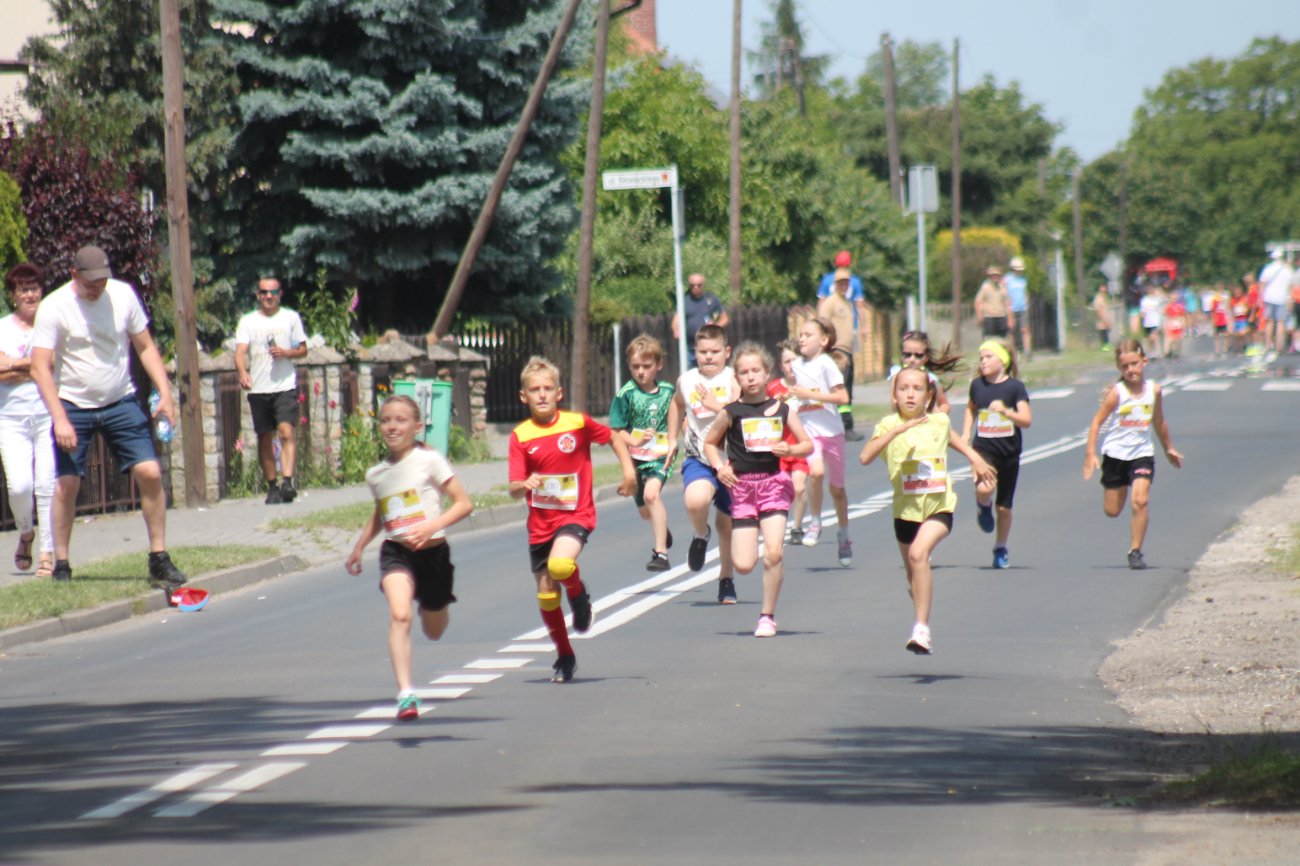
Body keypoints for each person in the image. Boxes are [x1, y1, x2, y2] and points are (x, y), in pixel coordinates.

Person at [29, 245, 187, 588]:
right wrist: (59, 418)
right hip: (72, 404)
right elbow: (40, 367)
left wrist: (166, 393)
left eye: (102, 282)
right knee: (66, 484)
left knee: (150, 473)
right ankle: (62, 565)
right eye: (90, 283)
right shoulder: (54, 306)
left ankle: (159, 559)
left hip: (120, 400)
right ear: (74, 275)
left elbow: (146, 347)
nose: (97, 289)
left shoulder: (123, 295)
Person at [345, 395, 474, 721]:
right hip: (396, 552)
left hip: (434, 555)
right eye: (385, 420)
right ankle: (406, 694)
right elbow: (383, 512)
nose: (392, 426)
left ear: (417, 427)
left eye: (401, 420)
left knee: (434, 631)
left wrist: (432, 526)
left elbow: (463, 503)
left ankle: (433, 603)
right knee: (400, 614)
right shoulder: (376, 474)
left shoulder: (429, 461)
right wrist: (360, 547)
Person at [508, 357, 637, 683]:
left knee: (560, 565)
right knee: (547, 594)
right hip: (540, 524)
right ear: (523, 396)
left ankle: (578, 597)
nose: (541, 395)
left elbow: (613, 438)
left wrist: (629, 473)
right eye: (534, 390)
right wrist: (523, 485)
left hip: (576, 514)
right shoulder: (520, 436)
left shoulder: (577, 423)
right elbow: (512, 488)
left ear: (559, 393)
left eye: (547, 388)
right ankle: (564, 655)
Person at [859, 367, 995, 655]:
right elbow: (865, 457)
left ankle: (921, 630)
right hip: (905, 513)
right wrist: (896, 432)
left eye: (917, 389)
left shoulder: (938, 421)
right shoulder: (887, 425)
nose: (910, 394)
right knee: (914, 577)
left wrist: (974, 457)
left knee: (919, 554)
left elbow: (951, 436)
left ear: (929, 395)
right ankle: (918, 594)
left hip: (938, 507)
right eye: (903, 389)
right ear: (894, 396)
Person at [703, 342, 812, 637]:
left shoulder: (782, 409)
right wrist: (720, 467)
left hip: (773, 485)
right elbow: (710, 443)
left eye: (755, 371)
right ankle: (749, 554)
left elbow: (806, 444)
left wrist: (790, 448)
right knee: (743, 564)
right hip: (742, 489)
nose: (750, 377)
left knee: (774, 554)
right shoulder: (731, 412)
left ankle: (767, 617)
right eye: (743, 372)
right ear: (736, 378)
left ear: (766, 374)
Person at [1083, 340, 1183, 570]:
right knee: (1112, 511)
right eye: (1125, 366)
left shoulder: (1154, 391)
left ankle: (1135, 552)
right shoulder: (1118, 393)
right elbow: (1097, 422)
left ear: (1144, 361)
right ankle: (1122, 487)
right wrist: (1090, 454)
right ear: (1119, 368)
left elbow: (1158, 421)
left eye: (1134, 364)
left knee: (1140, 500)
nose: (1130, 370)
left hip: (1142, 454)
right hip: (1115, 456)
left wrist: (1168, 447)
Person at [670, 324, 740, 603]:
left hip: (732, 462)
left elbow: (743, 415)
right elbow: (676, 404)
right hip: (699, 457)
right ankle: (701, 534)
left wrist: (716, 406)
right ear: (695, 352)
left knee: (727, 526)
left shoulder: (733, 378)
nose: (709, 357)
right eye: (703, 352)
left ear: (727, 352)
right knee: (695, 501)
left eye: (715, 351)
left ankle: (726, 579)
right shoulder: (686, 380)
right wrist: (672, 438)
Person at [0, 264, 56, 577]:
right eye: (23, 289)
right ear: (13, 295)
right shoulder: (3, 327)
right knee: (20, 487)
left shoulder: (52, 325)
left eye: (34, 288)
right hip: (10, 419)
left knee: (46, 485)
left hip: (48, 415)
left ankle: (47, 553)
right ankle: (26, 533)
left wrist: (13, 364)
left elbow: (56, 362)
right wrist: (36, 366)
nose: (30, 294)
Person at [234, 278, 309, 504]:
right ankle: (273, 487)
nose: (269, 296)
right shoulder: (248, 321)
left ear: (280, 294)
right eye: (265, 292)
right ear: (258, 294)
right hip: (259, 388)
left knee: (286, 432)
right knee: (265, 437)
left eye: (273, 292)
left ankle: (287, 482)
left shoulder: (290, 318)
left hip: (285, 386)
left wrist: (286, 353)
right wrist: (243, 372)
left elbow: (303, 350)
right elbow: (240, 352)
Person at [961, 339, 1031, 569]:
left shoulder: (1015, 388)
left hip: (1009, 453)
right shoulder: (977, 386)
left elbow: (1026, 420)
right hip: (984, 450)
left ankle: (1000, 548)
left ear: (1003, 361)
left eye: (988, 357)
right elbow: (971, 408)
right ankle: (983, 504)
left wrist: (1007, 411)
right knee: (984, 488)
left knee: (1004, 508)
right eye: (981, 358)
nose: (983, 362)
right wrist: (965, 433)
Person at [609, 335, 676, 572]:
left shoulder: (668, 392)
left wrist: (682, 440)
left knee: (651, 495)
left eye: (646, 366)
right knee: (645, 511)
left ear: (658, 365)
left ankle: (661, 554)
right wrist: (636, 440)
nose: (641, 372)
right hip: (635, 458)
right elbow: (616, 431)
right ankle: (661, 527)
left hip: (660, 456)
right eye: (636, 366)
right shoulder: (626, 394)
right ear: (628, 365)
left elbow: (679, 418)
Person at [790, 318, 851, 566]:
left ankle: (844, 536)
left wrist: (809, 395)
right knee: (816, 472)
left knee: (837, 490)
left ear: (823, 340)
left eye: (808, 335)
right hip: (808, 431)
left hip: (832, 432)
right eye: (800, 334)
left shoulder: (826, 364)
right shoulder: (796, 364)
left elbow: (843, 397)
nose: (802, 339)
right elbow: (793, 392)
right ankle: (815, 522)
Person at [767, 339, 810, 545]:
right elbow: (763, 415)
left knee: (799, 488)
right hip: (779, 447)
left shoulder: (808, 386)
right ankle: (777, 525)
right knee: (781, 490)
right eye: (787, 361)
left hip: (801, 446)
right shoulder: (773, 388)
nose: (791, 366)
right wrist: (779, 403)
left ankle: (797, 528)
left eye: (795, 360)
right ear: (780, 365)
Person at [816, 268, 862, 440]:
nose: (844, 286)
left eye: (846, 283)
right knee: (840, 388)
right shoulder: (830, 303)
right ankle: (844, 426)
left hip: (848, 351)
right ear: (835, 284)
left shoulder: (848, 303)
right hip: (837, 351)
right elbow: (822, 326)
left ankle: (846, 426)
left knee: (848, 388)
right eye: (841, 283)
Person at [887, 331, 960, 415]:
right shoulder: (898, 375)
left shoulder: (931, 379)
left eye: (918, 355)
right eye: (907, 354)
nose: (912, 360)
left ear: (926, 358)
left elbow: (944, 404)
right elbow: (894, 407)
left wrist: (939, 413)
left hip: (926, 420)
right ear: (901, 355)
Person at [671, 274, 728, 368]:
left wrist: (714, 327)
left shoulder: (711, 299)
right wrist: (676, 331)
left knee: (708, 370)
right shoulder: (684, 301)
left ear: (703, 285)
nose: (696, 287)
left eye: (699, 285)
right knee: (689, 373)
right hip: (690, 347)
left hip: (708, 347)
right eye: (692, 285)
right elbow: (676, 319)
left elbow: (725, 318)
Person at [1259, 250, 1294, 356]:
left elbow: (1262, 284)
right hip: (1282, 298)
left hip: (1269, 298)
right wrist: (1290, 299)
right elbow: (1291, 286)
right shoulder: (1288, 270)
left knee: (1269, 321)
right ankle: (1279, 347)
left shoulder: (1267, 268)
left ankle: (1268, 345)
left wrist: (1261, 298)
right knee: (1281, 322)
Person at [974, 266, 1012, 339]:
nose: (995, 277)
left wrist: (1010, 319)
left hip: (1001, 316)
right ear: (990, 277)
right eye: (993, 276)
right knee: (990, 339)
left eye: (997, 275)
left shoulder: (1003, 290)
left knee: (1002, 339)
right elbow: (977, 302)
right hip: (989, 317)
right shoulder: (986, 288)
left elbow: (1007, 305)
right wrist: (980, 316)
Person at [1004, 256, 1031, 353]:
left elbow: (1025, 293)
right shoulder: (1007, 279)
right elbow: (1004, 294)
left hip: (1022, 308)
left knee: (1025, 329)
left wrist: (1027, 305)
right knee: (1011, 331)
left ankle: (1027, 351)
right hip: (1011, 308)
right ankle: (1012, 352)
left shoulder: (1024, 278)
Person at [1139, 283, 1165, 357]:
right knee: (1149, 339)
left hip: (1156, 321)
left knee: (1153, 336)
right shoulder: (1144, 300)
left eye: (1151, 290)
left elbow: (1162, 309)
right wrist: (1143, 318)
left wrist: (1161, 320)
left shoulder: (1157, 299)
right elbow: (1142, 312)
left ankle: (1157, 351)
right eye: (1149, 290)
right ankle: (1152, 351)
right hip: (1147, 322)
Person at [1163, 291, 1186, 359]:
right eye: (1173, 298)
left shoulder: (1179, 307)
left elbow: (1182, 316)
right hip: (1171, 325)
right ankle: (1169, 351)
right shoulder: (1168, 307)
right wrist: (1165, 325)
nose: (1174, 300)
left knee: (1178, 339)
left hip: (1178, 324)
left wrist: (1183, 324)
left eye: (1175, 298)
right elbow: (1166, 316)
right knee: (1170, 339)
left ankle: (1176, 351)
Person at [1211, 284, 1231, 356]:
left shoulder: (1226, 296)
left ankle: (1226, 348)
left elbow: (1228, 307)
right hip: (1217, 318)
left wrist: (1229, 317)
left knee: (1226, 334)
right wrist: (1213, 320)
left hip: (1224, 318)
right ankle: (1218, 349)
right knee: (1216, 335)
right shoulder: (1215, 298)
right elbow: (1213, 310)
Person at [1230, 284, 1251, 354]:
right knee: (1237, 335)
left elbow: (1248, 307)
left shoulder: (1244, 299)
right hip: (1236, 319)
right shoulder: (1233, 300)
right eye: (1236, 292)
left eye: (1239, 292)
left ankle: (1244, 345)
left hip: (1243, 319)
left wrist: (1246, 309)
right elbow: (1231, 309)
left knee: (1242, 333)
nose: (1237, 293)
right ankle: (1239, 347)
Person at [1092, 285, 1113, 351]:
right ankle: (1105, 348)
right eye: (1103, 292)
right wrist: (1103, 321)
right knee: (1103, 335)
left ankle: (1107, 347)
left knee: (1106, 335)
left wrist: (1108, 321)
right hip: (1101, 321)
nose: (1104, 293)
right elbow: (1098, 311)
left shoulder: (1103, 299)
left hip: (1105, 321)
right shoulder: (1098, 299)